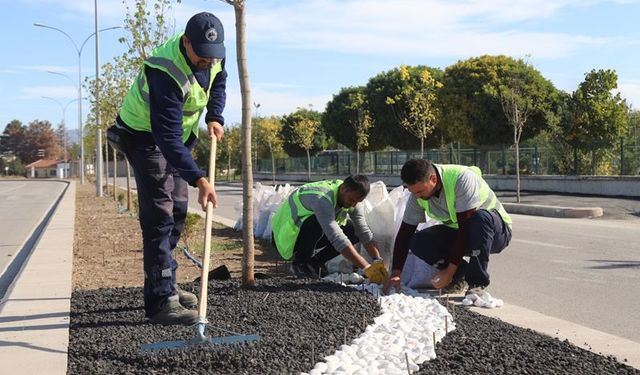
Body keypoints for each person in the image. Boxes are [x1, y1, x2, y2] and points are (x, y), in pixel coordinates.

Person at [107, 12, 227, 325]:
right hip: (144, 136)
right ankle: (161, 301)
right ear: (186, 43)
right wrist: (200, 179)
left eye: (212, 57)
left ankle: (167, 283)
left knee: (177, 210)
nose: (208, 62)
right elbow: (166, 138)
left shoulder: (214, 56)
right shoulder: (166, 71)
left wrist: (215, 115)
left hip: (178, 138)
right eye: (201, 56)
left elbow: (219, 83)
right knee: (159, 215)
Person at [389, 159, 512, 295]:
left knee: (479, 218)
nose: (417, 196)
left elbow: (465, 229)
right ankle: (460, 276)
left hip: (495, 233)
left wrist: (448, 272)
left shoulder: (461, 179)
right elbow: (405, 234)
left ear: (433, 179)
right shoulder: (417, 196)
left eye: (420, 191)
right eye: (413, 192)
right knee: (419, 241)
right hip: (462, 233)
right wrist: (396, 272)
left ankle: (477, 283)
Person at [271, 175, 389, 284]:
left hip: (305, 232)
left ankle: (314, 262)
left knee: (352, 230)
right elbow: (337, 237)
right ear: (343, 189)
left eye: (357, 202)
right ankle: (300, 264)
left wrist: (377, 260)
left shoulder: (352, 197)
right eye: (352, 200)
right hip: (285, 236)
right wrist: (366, 267)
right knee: (317, 223)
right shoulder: (321, 198)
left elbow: (363, 231)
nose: (354, 205)